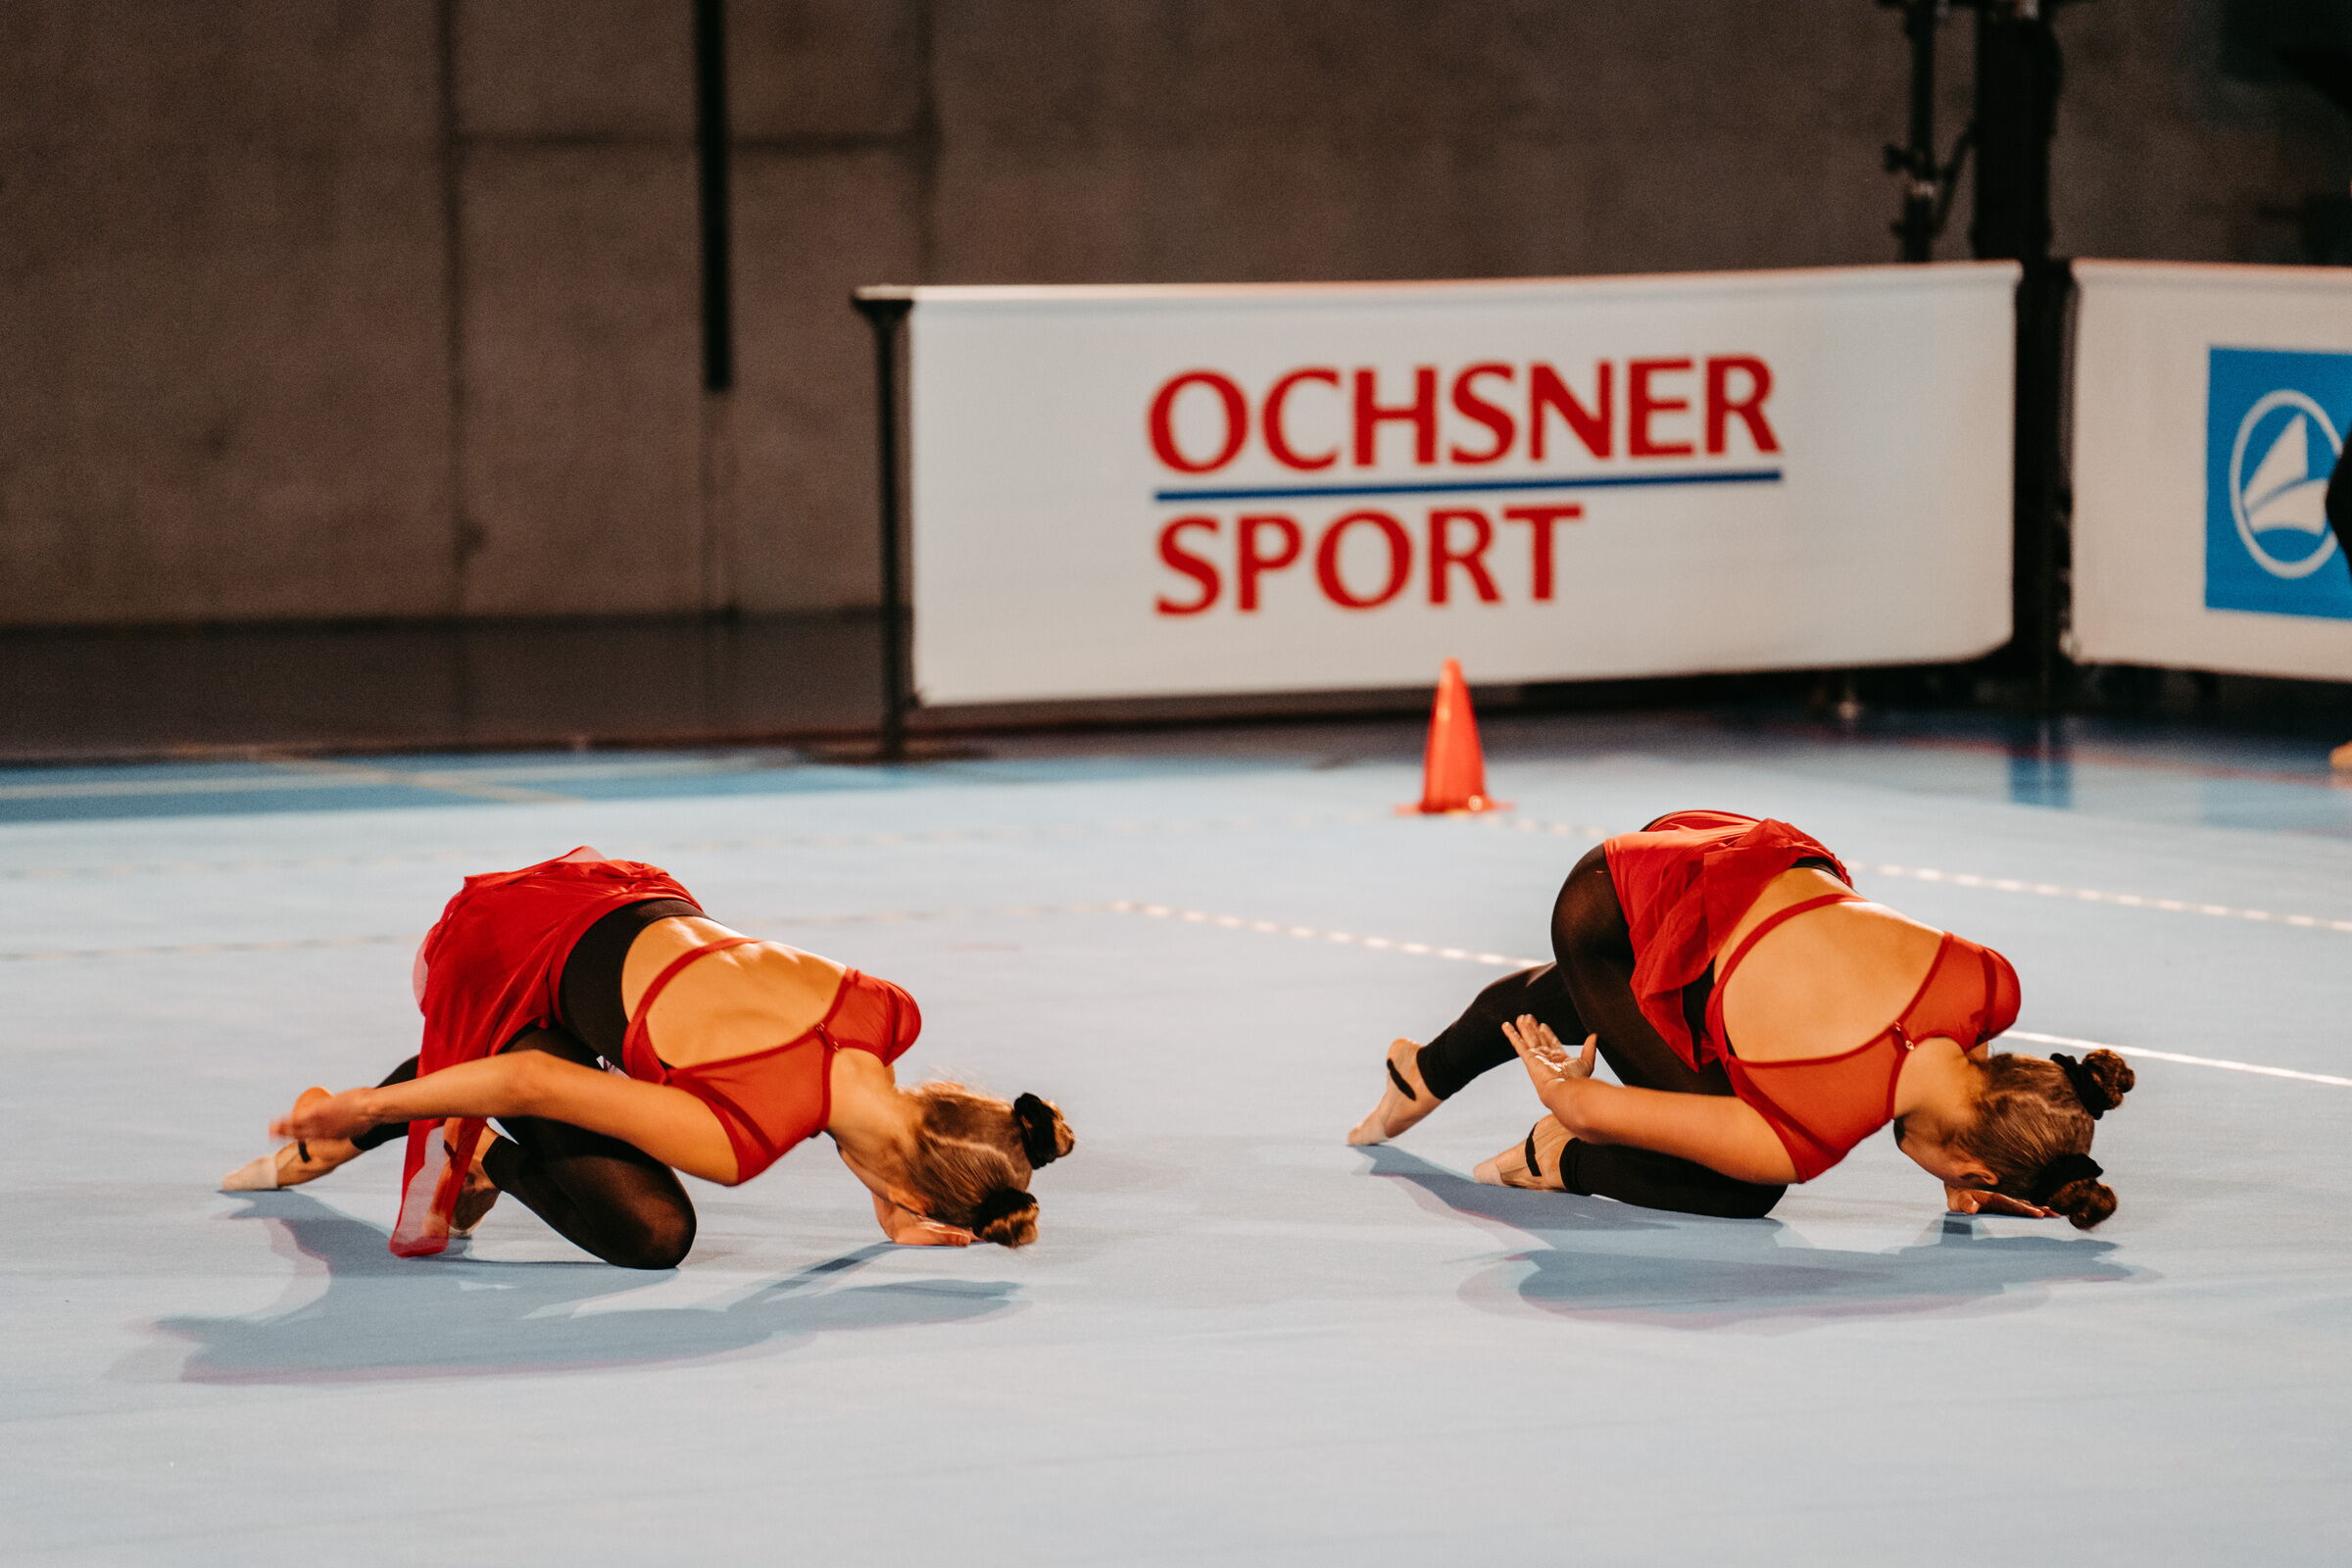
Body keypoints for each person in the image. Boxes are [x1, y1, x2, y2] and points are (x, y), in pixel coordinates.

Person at [223, 847, 1073, 1265]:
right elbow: (534, 1081)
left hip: (613, 891)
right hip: (502, 954)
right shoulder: (741, 1139)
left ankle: (438, 1121)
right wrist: (363, 1109)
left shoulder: (888, 1012)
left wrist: (886, 1199)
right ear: (916, 1192)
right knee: (655, 1236)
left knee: (609, 1116)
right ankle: (465, 1146)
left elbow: (848, 1098)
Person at [1348, 809, 2130, 1227]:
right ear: (1978, 1172)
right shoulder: (1808, 1134)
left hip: (1729, 845)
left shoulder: (1991, 985)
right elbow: (1585, 1105)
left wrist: (1969, 1165)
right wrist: (1568, 1101)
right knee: (1740, 1193)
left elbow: (1970, 1048)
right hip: (1611, 911)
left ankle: (1423, 1070)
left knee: (1691, 1021)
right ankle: (1551, 1161)